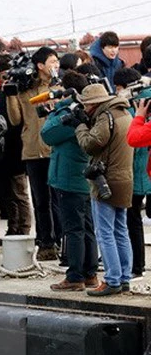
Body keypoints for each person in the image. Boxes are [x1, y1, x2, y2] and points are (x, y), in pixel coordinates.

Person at [40, 71, 98, 292]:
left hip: (69, 177)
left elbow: (47, 134)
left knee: (73, 229)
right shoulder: (87, 110)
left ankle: (75, 276)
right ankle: (90, 273)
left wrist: (58, 106)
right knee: (87, 227)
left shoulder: (69, 113)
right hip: (84, 176)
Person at [75, 84, 134, 296]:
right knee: (121, 230)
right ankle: (124, 277)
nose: (85, 109)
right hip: (125, 178)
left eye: (86, 105)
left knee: (105, 233)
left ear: (93, 104)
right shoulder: (124, 113)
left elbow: (91, 144)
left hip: (105, 181)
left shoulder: (105, 117)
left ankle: (111, 280)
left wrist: (80, 127)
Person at [7, 46, 62, 261]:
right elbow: (15, 120)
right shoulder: (25, 90)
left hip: (54, 148)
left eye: (56, 61)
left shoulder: (58, 87)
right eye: (52, 61)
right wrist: (11, 95)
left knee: (57, 198)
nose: (55, 65)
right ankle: (45, 242)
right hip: (32, 150)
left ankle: (61, 239)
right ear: (40, 66)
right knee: (40, 201)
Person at [0, 54, 32, 243]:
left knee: (19, 190)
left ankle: (23, 229)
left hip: (17, 145)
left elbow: (18, 119)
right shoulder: (2, 91)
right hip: (3, 145)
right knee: (7, 191)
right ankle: (12, 228)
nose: (2, 77)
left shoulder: (18, 91)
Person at [115, 68, 151, 278]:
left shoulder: (133, 107)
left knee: (133, 221)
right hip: (144, 172)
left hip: (135, 173)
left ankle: (137, 266)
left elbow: (133, 138)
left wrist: (138, 117)